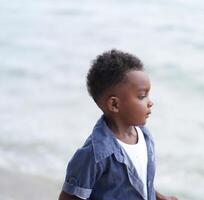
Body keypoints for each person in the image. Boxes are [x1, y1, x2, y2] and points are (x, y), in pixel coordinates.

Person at [58, 49, 178, 200]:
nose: (150, 102)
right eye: (142, 96)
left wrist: (159, 197)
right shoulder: (93, 155)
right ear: (114, 104)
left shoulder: (143, 135)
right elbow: (70, 197)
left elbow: (137, 185)